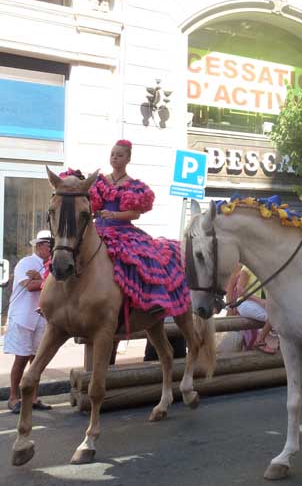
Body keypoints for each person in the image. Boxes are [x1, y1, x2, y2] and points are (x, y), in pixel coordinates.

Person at [64, 140, 192, 340]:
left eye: (120, 155)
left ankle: (144, 304)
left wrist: (114, 216)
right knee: (71, 251)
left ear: (128, 159)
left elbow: (136, 214)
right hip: (98, 230)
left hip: (124, 232)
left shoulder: (135, 186)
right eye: (113, 154)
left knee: (140, 261)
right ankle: (58, 302)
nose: (115, 158)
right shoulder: (98, 182)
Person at [3, 230, 54, 414]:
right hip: (23, 317)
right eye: (49, 245)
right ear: (39, 246)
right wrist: (45, 280)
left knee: (37, 360)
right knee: (21, 358)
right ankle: (13, 397)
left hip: (41, 318)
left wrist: (40, 278)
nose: (51, 248)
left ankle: (33, 398)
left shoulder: (53, 264)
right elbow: (30, 286)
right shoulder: (26, 262)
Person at [223, 264, 275, 354]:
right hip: (246, 303)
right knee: (274, 317)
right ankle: (260, 341)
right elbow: (239, 289)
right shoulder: (247, 269)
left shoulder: (265, 267)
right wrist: (261, 301)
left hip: (259, 304)